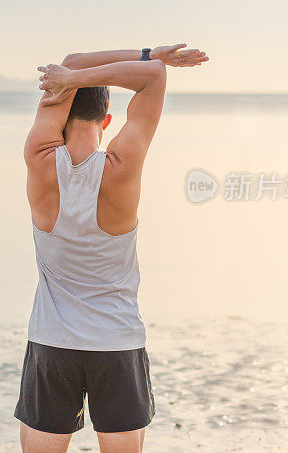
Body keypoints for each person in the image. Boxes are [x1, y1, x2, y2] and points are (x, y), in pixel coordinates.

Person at [15, 45, 209, 452]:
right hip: (116, 342)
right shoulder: (122, 166)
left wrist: (70, 78)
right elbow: (154, 75)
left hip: (53, 342)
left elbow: (70, 61)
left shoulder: (38, 157)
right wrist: (148, 57)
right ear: (107, 120)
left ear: (59, 113)